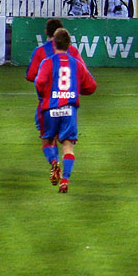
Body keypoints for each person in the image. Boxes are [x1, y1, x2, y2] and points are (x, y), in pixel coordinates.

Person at [35, 28, 97, 194]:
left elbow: (39, 83)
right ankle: (65, 179)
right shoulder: (76, 64)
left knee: (47, 142)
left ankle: (54, 163)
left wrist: (46, 95)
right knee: (68, 146)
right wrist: (75, 89)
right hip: (69, 109)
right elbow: (91, 86)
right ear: (69, 45)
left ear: (53, 44)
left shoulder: (47, 62)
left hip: (50, 109)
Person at [26, 18, 86, 185]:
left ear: (47, 33)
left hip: (47, 104)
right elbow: (84, 75)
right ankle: (65, 177)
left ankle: (53, 162)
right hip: (68, 103)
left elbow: (31, 76)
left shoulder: (40, 53)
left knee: (47, 138)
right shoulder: (72, 52)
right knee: (67, 142)